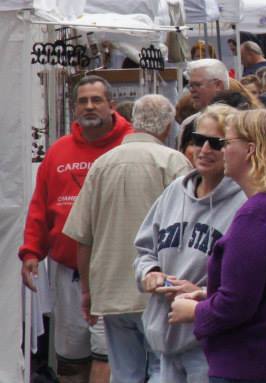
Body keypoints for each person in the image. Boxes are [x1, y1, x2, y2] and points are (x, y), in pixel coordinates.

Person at [168, 109, 266, 383]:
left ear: (250, 150)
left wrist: (195, 311)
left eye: (226, 143)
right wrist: (208, 295)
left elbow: (236, 305)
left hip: (257, 364)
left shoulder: (258, 214)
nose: (222, 150)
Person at [63, 95, 189, 383]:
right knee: (162, 368)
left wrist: (87, 290)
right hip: (158, 286)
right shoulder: (173, 162)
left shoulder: (102, 164)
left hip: (111, 288)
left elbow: (83, 235)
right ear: (167, 126)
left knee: (124, 372)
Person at [20, 76, 134, 383]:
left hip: (115, 271)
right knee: (71, 360)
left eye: (96, 100)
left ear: (112, 105)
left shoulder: (131, 145)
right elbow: (40, 206)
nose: (89, 106)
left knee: (106, 358)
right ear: (74, 107)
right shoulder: (58, 151)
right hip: (67, 269)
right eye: (83, 101)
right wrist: (31, 250)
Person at [133, 104, 247, 383]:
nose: (204, 150)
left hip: (211, 345)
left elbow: (248, 283)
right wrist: (149, 273)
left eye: (216, 143)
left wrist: (203, 293)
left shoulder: (245, 202)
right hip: (165, 340)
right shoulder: (175, 190)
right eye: (198, 140)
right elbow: (144, 250)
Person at [179, 58, 230, 148]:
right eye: (190, 86)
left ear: (218, 85)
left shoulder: (241, 121)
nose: (192, 90)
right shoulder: (189, 124)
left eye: (197, 85)